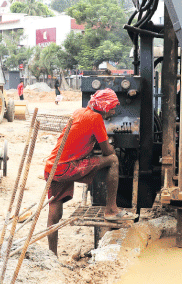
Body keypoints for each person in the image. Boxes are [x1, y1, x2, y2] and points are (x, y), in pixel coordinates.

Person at [44, 88, 131, 255]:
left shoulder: (79, 112)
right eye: (112, 107)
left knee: (55, 209)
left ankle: (52, 255)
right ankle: (111, 209)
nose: (113, 111)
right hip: (68, 168)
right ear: (104, 107)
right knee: (113, 161)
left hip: (53, 167)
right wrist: (112, 147)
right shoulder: (96, 118)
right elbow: (108, 152)